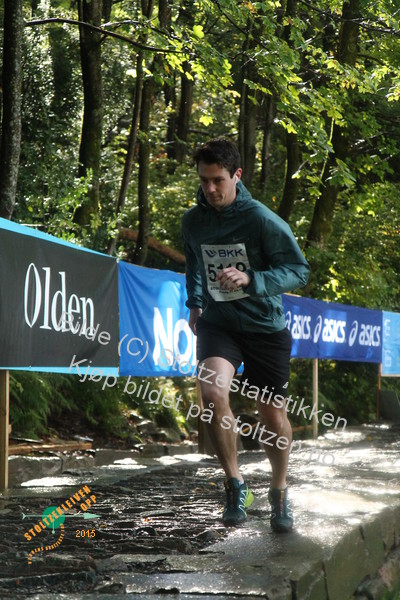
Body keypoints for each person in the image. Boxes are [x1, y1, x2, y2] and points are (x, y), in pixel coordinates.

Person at [181, 138, 310, 531]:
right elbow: (194, 264)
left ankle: (279, 490)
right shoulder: (193, 221)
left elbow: (299, 271)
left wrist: (252, 279)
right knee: (212, 393)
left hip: (264, 328)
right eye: (203, 180)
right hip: (219, 323)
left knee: (271, 415)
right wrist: (195, 304)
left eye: (218, 180)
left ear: (236, 175)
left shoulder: (261, 220)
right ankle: (235, 484)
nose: (210, 189)